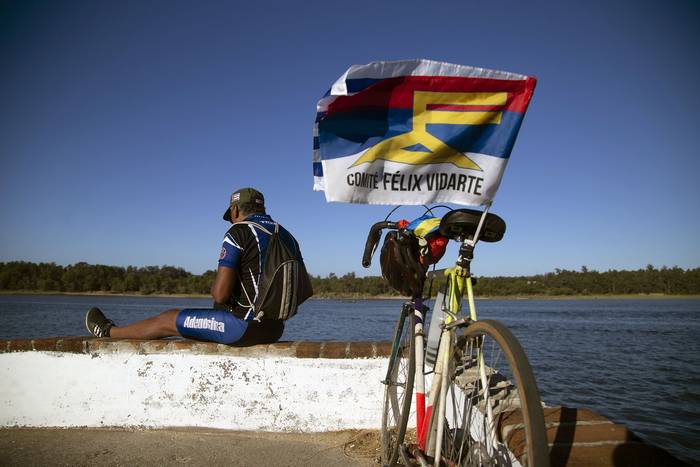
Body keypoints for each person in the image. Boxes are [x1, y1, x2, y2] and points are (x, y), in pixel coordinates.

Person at [85, 187, 306, 346]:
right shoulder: (287, 236)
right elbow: (302, 291)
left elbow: (220, 294)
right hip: (275, 329)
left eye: (231, 216)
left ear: (236, 211)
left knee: (169, 319)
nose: (231, 220)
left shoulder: (239, 232)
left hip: (243, 329)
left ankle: (107, 331)